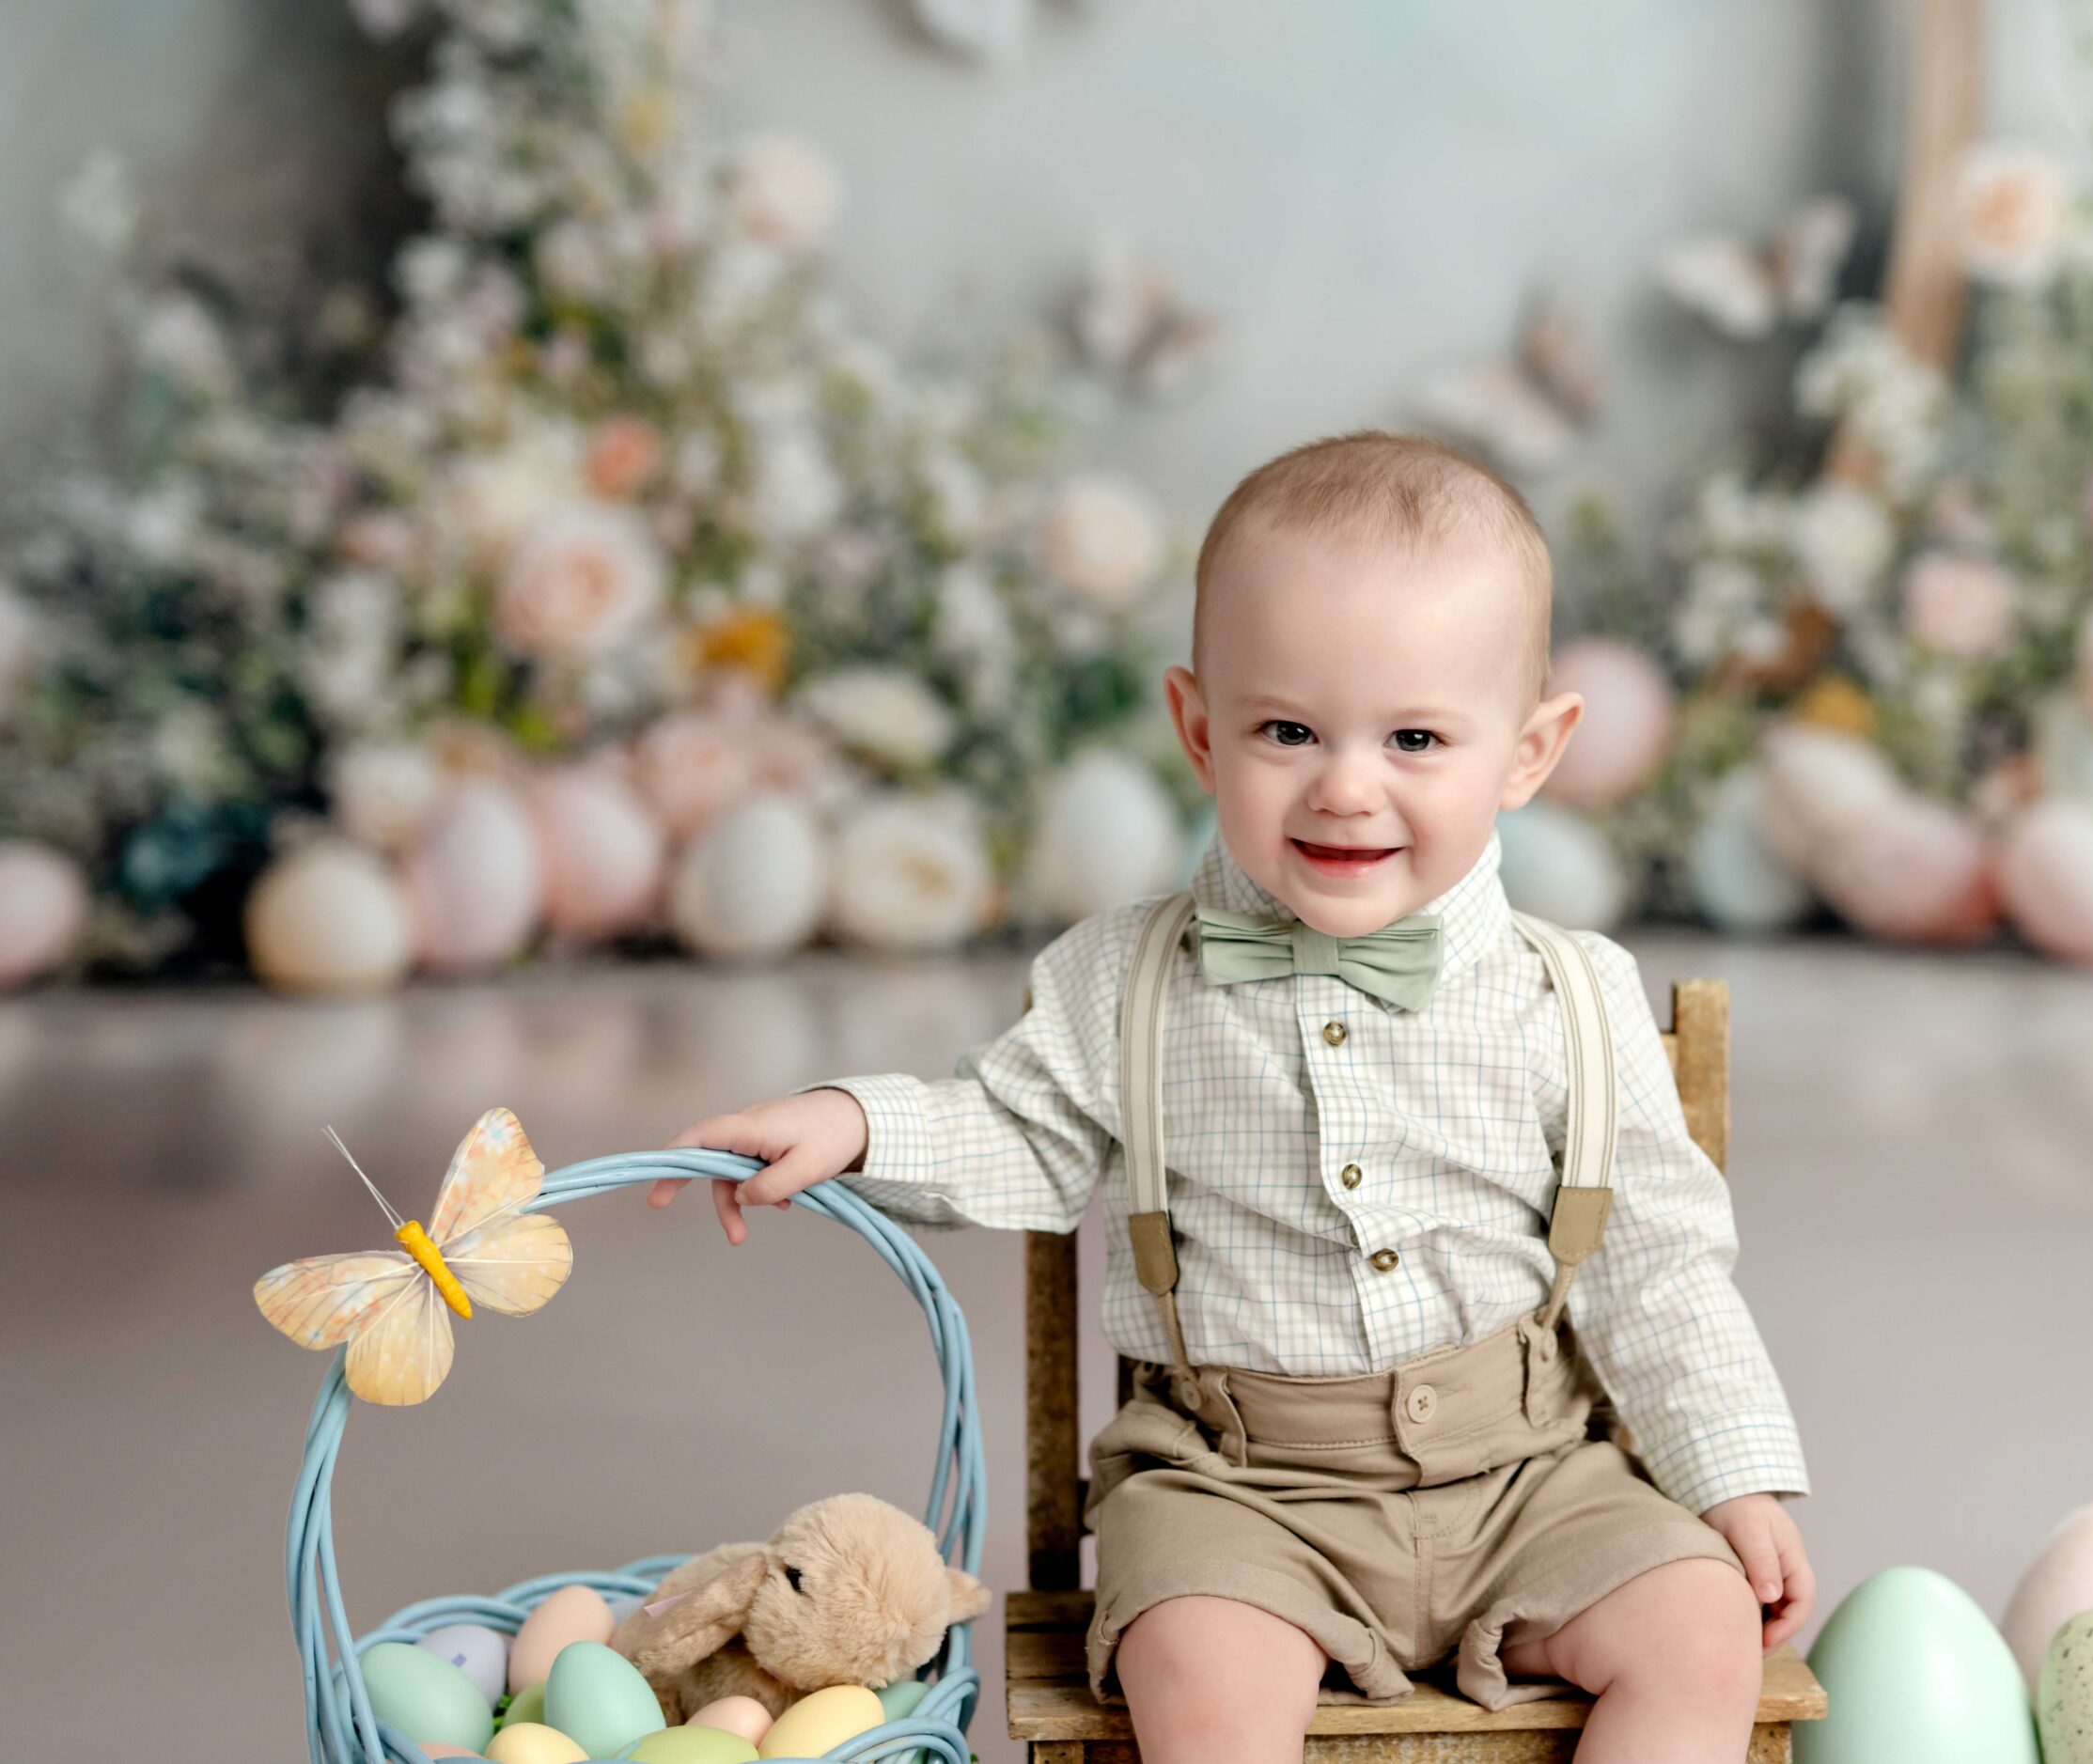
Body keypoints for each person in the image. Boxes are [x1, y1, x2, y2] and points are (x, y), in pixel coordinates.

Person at [651, 430, 1813, 1763]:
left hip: (1530, 1475)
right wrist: (853, 1121)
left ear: (1530, 751)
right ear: (1202, 729)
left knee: (1701, 1630)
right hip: (1235, 1484)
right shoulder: (1126, 980)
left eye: (1417, 736)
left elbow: (1657, 1265)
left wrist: (1736, 1471)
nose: (1347, 785)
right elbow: (1013, 1129)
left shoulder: (1572, 997)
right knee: (1197, 1668)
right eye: (1288, 730)